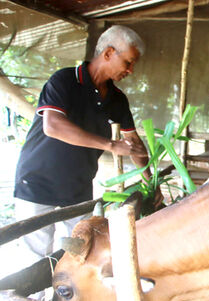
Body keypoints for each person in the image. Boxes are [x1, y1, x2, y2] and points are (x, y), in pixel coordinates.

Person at [13, 25, 163, 274]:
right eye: (128, 62)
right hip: (37, 182)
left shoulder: (117, 100)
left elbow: (134, 143)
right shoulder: (65, 80)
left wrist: (151, 181)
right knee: (37, 259)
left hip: (77, 185)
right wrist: (111, 145)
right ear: (108, 53)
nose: (130, 70)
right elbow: (53, 126)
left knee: (79, 253)